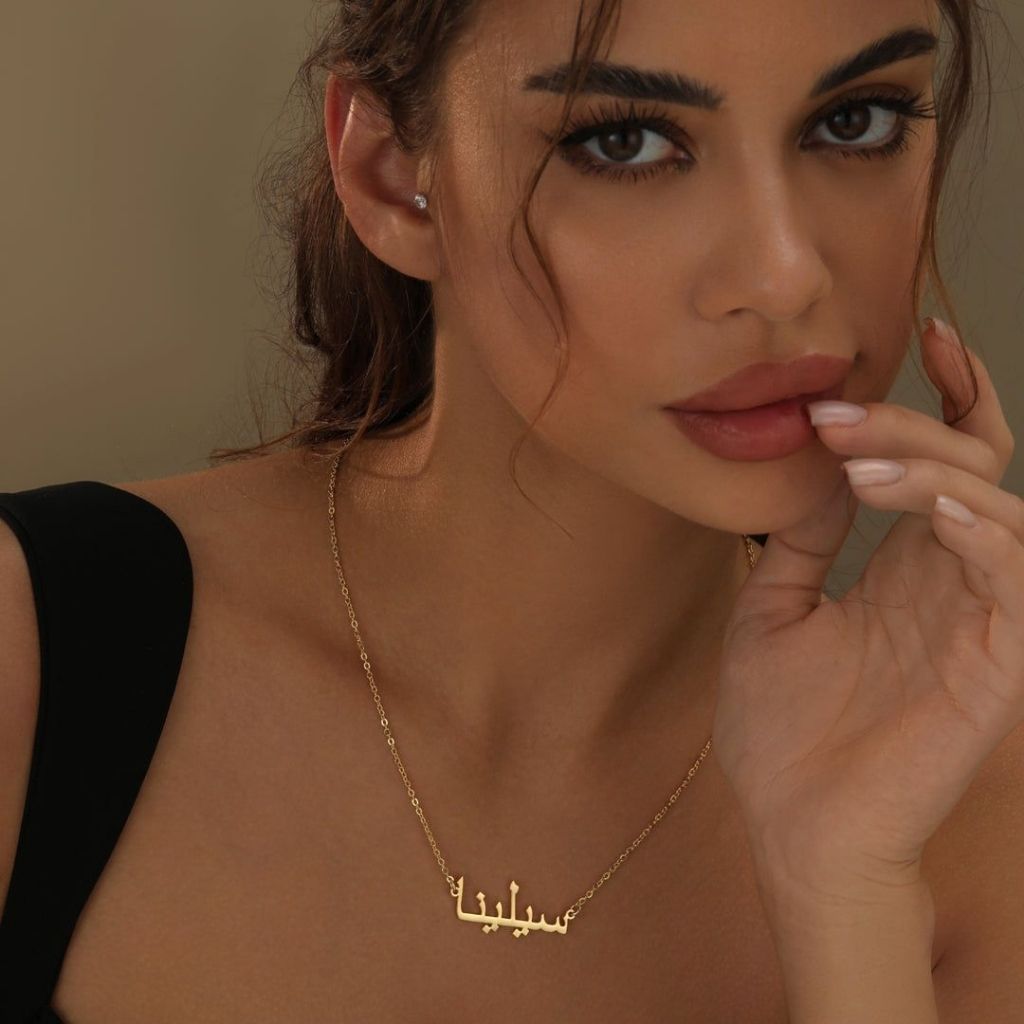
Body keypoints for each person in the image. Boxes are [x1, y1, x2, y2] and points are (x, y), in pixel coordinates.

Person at [2, 0, 1022, 1020]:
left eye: (857, 122)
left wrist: (842, 891)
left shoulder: (975, 802)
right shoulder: (29, 657)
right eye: (623, 140)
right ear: (394, 179)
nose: (784, 274)